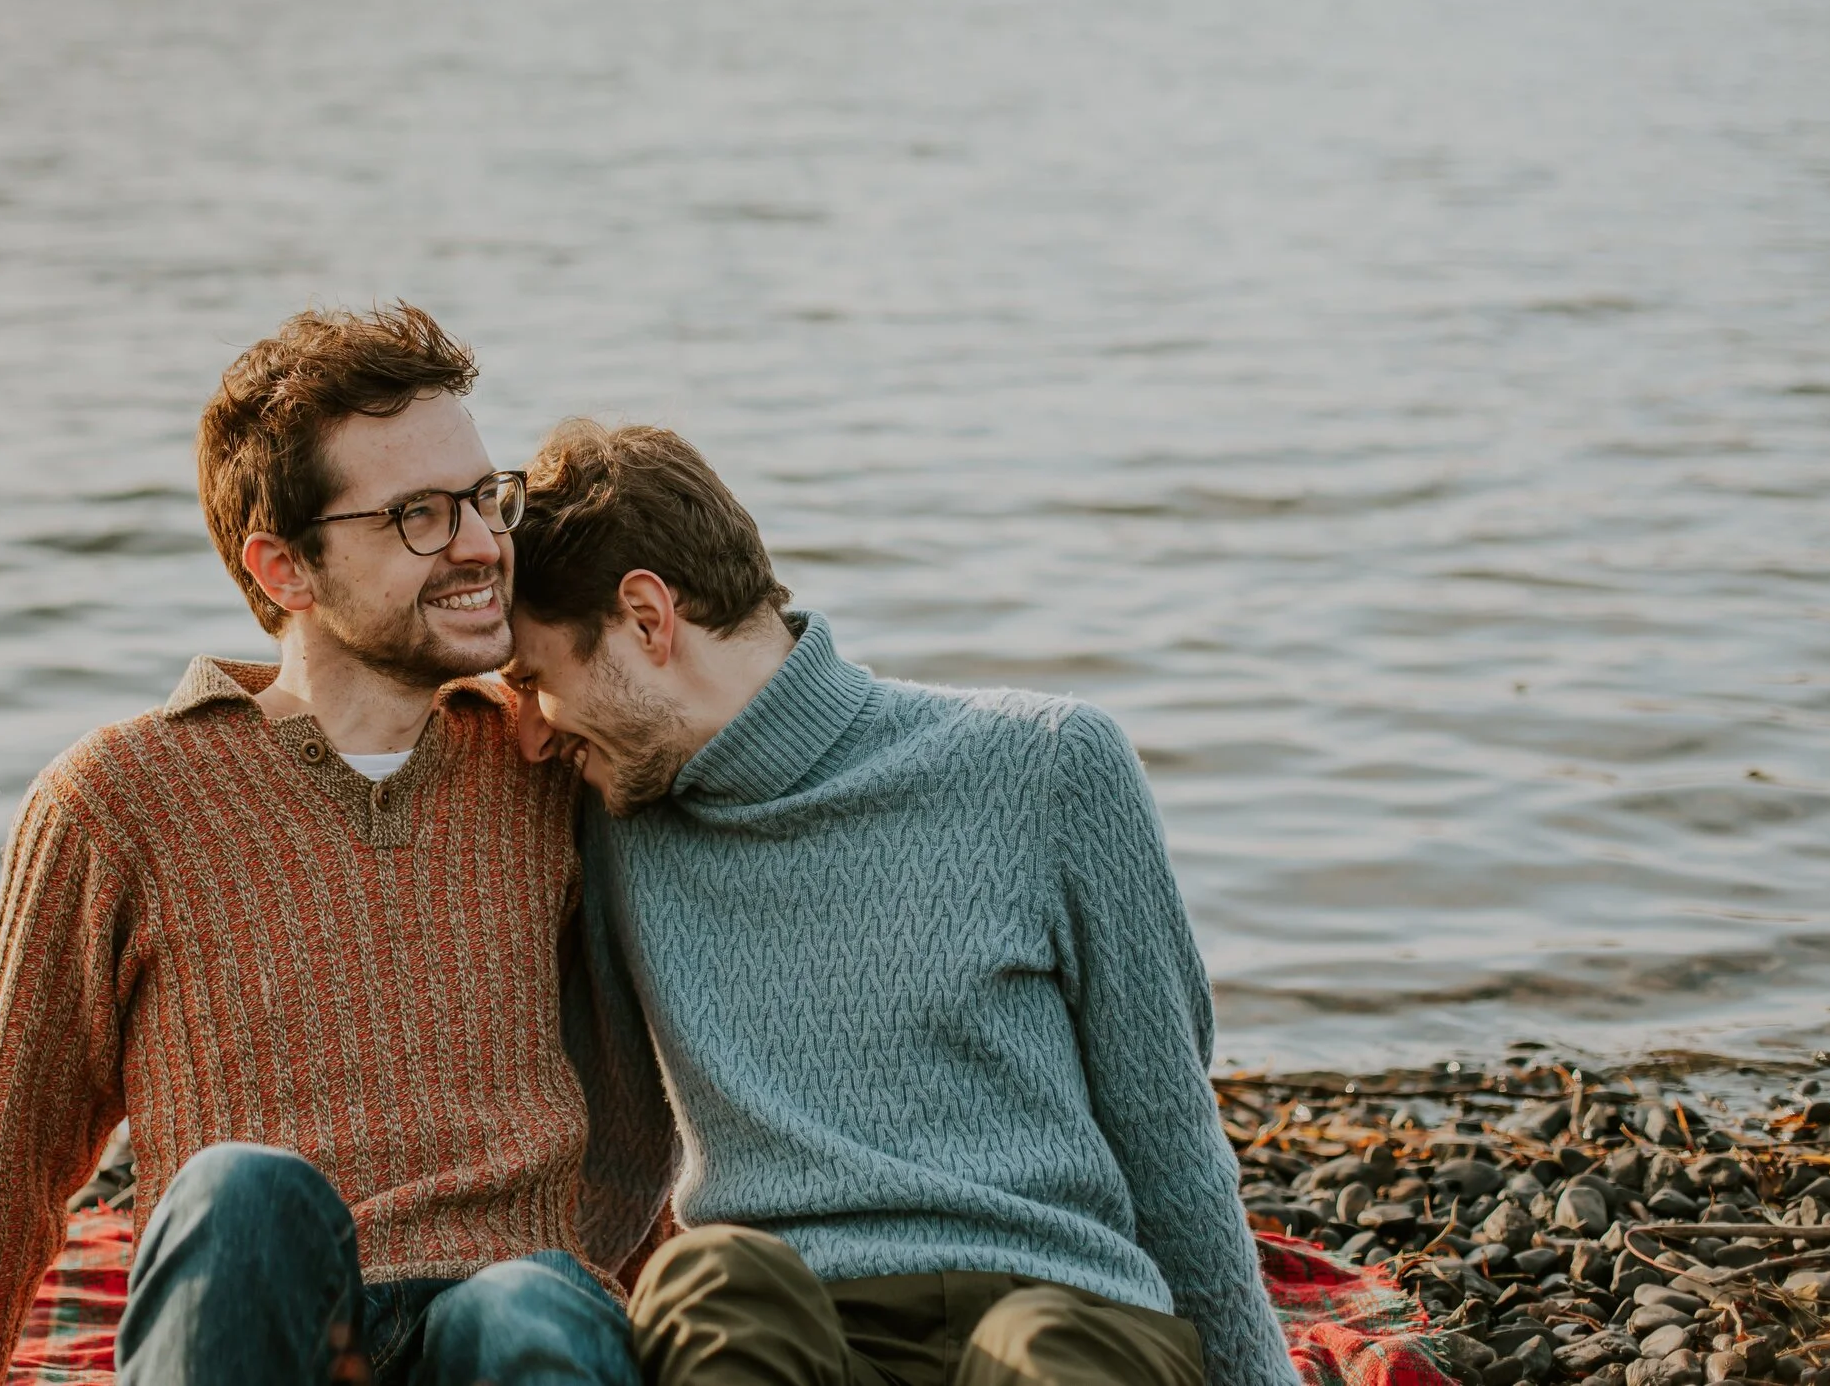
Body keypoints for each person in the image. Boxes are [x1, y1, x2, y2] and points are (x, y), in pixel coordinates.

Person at [0, 307, 645, 1386]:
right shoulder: (117, 800)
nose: (481, 544)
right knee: (240, 1191)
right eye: (417, 516)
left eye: (484, 498)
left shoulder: (554, 767)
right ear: (283, 566)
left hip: (500, 1324)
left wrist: (602, 698)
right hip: (264, 1322)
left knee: (527, 1296)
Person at [502, 420, 1302, 1386]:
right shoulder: (619, 819)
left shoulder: (1051, 767)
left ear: (645, 617)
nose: (536, 733)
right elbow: (615, 1149)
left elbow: (1168, 1136)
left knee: (1043, 1348)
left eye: (534, 679)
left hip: (1062, 1308)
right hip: (802, 1326)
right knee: (712, 1275)